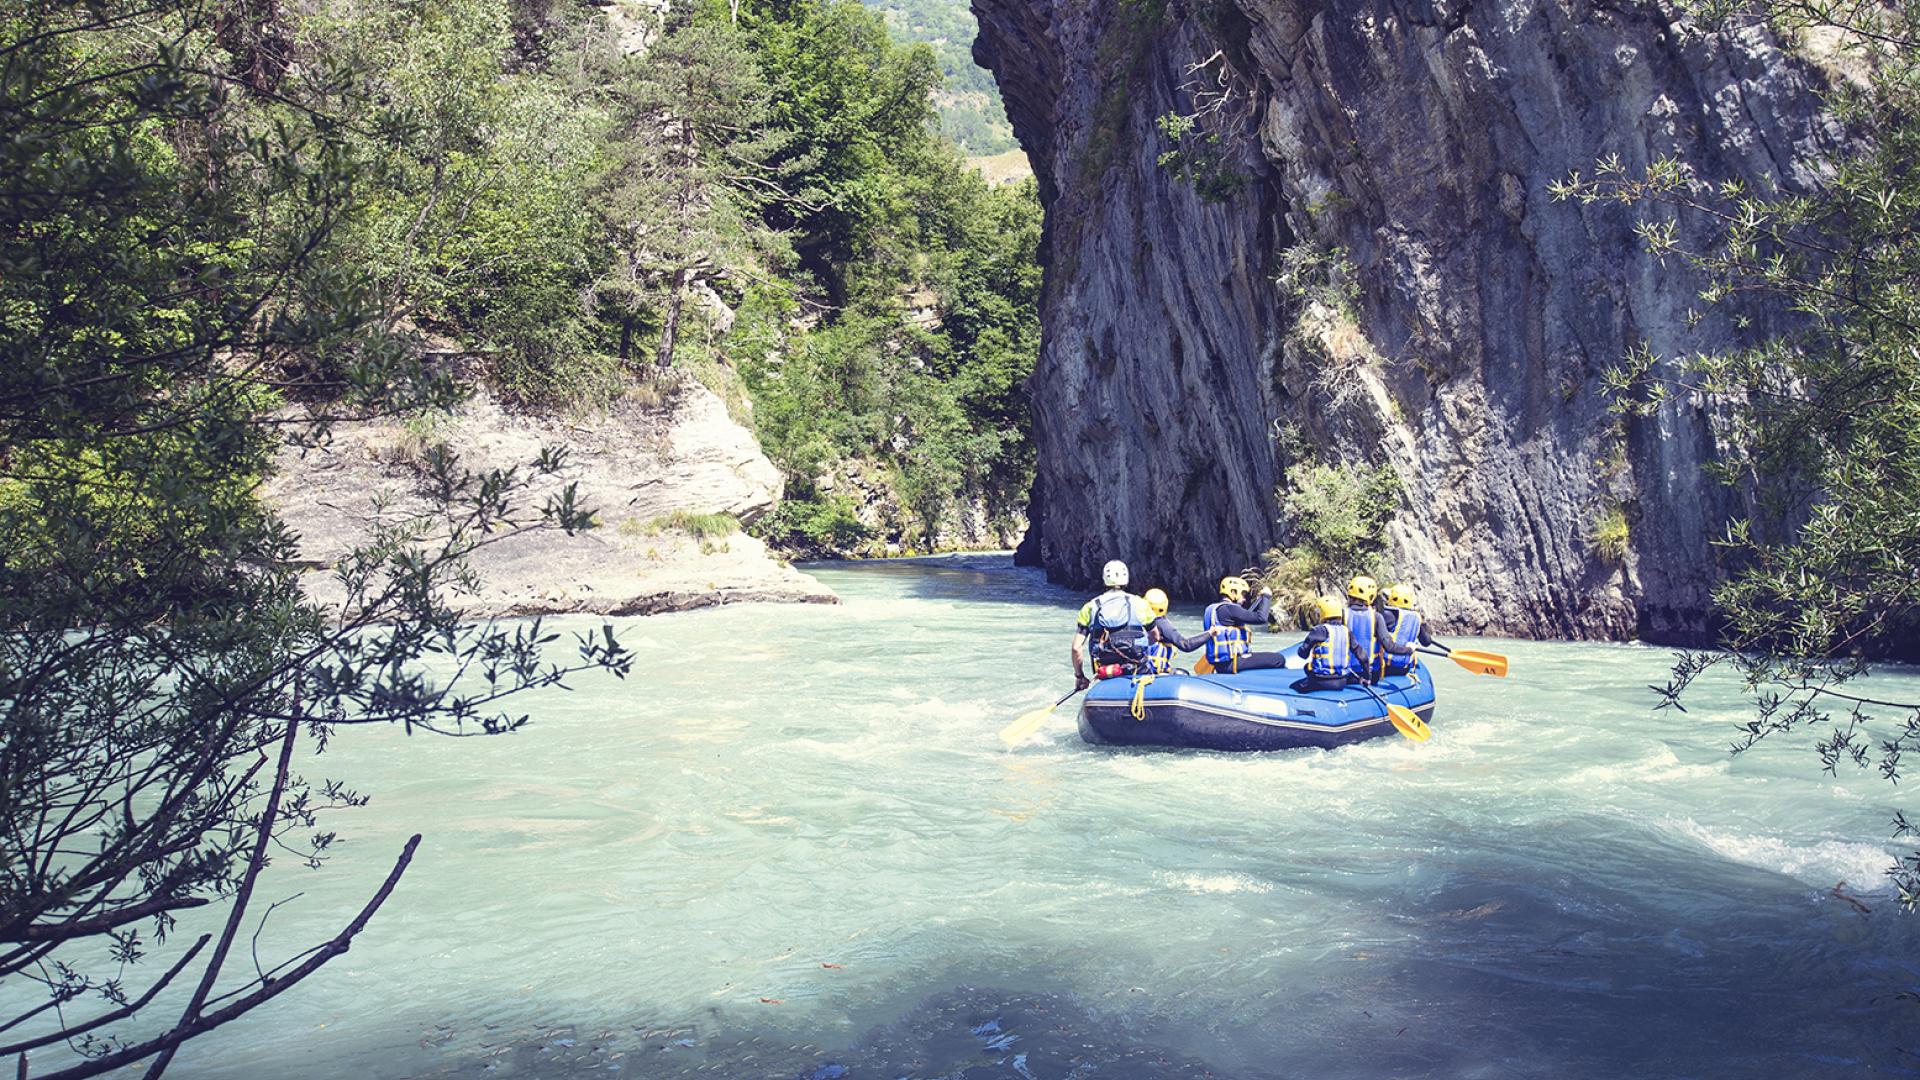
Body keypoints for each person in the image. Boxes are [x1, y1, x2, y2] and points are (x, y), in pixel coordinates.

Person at [1072, 559, 1156, 689]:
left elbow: (1076, 648)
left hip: (1105, 669)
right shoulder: (1140, 604)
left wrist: (1080, 676)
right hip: (1137, 667)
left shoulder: (1089, 607)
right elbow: (1155, 636)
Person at [1201, 575, 1289, 673]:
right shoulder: (1230, 609)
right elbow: (1261, 618)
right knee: (1279, 659)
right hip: (1233, 663)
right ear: (1233, 592)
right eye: (1243, 594)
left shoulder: (1212, 609)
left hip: (1220, 664)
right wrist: (1267, 597)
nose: (1244, 599)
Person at [1343, 575, 1412, 683]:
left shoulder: (1342, 615)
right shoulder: (1376, 617)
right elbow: (1389, 647)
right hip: (1370, 674)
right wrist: (1409, 650)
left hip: (1346, 674)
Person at [1141, 587, 1216, 674]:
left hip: (1141, 669)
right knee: (1184, 674)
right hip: (1155, 672)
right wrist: (1209, 633)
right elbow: (1186, 645)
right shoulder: (1161, 624)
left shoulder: (1139, 621)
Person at [1380, 583, 1445, 677]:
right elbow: (1426, 642)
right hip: (1403, 668)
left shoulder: (1388, 615)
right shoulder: (1417, 618)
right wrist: (1423, 626)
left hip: (1384, 667)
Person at [1295, 595, 1356, 691]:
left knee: (1303, 674)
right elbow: (1362, 656)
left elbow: (1303, 654)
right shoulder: (1346, 631)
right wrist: (1367, 677)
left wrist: (1302, 649)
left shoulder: (1319, 630)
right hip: (1341, 681)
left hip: (1321, 681)